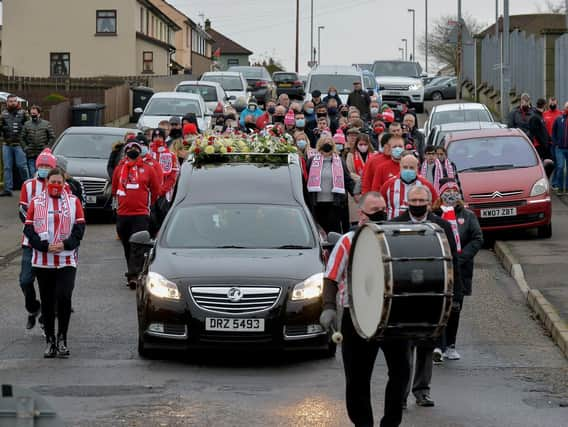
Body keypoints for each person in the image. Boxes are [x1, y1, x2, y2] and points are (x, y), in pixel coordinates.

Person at [320, 191, 410, 427]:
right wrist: (328, 307)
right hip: (357, 316)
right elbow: (330, 277)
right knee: (357, 379)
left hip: (393, 315)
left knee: (401, 373)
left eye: (383, 209)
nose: (381, 214)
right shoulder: (348, 240)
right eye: (375, 211)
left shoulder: (397, 238)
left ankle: (390, 422)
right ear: (361, 214)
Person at [391, 185, 461, 409]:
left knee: (426, 344)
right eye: (414, 200)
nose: (418, 204)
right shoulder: (394, 224)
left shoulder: (441, 226)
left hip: (432, 292)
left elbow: (453, 260)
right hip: (402, 293)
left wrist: (455, 294)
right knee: (402, 348)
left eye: (422, 201)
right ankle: (399, 394)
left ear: (429, 203)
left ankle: (422, 390)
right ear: (407, 202)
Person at [23, 167, 86, 358]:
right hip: (43, 260)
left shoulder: (74, 202)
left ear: (64, 183)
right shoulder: (36, 202)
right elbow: (28, 229)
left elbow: (80, 228)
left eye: (59, 182)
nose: (56, 186)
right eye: (53, 182)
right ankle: (50, 341)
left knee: (64, 296)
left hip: (66, 259)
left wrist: (65, 244)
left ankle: (62, 339)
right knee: (48, 301)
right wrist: (44, 246)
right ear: (47, 182)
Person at [432, 178, 483, 361]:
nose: (451, 194)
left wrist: (459, 258)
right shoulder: (434, 215)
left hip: (460, 269)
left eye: (454, 190)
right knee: (439, 305)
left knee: (455, 307)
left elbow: (477, 238)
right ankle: (437, 345)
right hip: (439, 268)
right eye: (447, 190)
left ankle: (450, 345)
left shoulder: (468, 216)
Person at [18, 148, 58, 331]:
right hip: (30, 241)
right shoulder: (28, 185)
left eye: (46, 166)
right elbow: (22, 210)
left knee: (49, 282)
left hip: (49, 243)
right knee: (25, 280)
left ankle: (46, 317)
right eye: (40, 165)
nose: (43, 168)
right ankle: (33, 307)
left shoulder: (57, 186)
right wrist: (34, 229)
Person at [112, 141, 161, 289]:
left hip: (140, 214)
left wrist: (146, 205)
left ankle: (135, 276)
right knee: (127, 246)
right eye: (129, 149)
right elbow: (114, 189)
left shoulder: (148, 169)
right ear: (125, 152)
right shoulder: (119, 169)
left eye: (135, 149)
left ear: (140, 152)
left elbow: (156, 189)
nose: (132, 151)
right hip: (123, 213)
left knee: (138, 246)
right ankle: (132, 272)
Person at [306, 136, 354, 233]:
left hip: (335, 203)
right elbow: (306, 178)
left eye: (329, 142)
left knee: (333, 230)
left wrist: (356, 193)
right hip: (317, 203)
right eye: (324, 142)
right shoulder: (311, 160)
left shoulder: (340, 161)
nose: (327, 144)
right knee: (319, 231)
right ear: (320, 145)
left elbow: (347, 179)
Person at [380, 154, 438, 220]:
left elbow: (436, 205)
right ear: (400, 167)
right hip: (393, 226)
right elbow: (380, 206)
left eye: (411, 168)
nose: (408, 170)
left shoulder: (426, 185)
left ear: (417, 168)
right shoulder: (388, 184)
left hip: (419, 226)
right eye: (405, 167)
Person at [0, 94, 30, 196]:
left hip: (19, 145)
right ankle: (7, 189)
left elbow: (29, 127)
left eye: (14, 101)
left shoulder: (24, 113)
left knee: (22, 166)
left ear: (17, 102)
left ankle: (28, 187)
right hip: (6, 144)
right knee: (7, 167)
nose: (13, 103)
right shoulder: (3, 114)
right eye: (10, 101)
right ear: (7, 103)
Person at [21, 105, 56, 176]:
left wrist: (47, 147)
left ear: (39, 114)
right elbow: (22, 137)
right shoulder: (27, 124)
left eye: (34, 114)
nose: (33, 115)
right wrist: (25, 148)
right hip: (30, 153)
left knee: (42, 173)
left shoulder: (46, 124)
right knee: (32, 173)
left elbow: (52, 137)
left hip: (42, 153)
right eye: (31, 114)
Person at [529, 98, 554, 176]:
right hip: (539, 146)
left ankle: (544, 178)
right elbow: (535, 133)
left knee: (550, 164)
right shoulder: (535, 117)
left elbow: (543, 131)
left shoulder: (540, 116)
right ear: (544, 105)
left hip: (544, 145)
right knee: (545, 164)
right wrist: (544, 144)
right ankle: (541, 178)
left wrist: (549, 139)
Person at [551, 101, 568, 191]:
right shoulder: (558, 119)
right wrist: (555, 143)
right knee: (560, 167)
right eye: (567, 107)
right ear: (564, 108)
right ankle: (560, 187)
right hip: (560, 149)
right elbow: (553, 132)